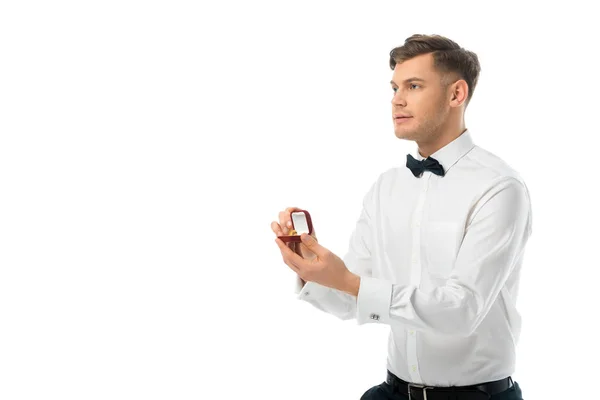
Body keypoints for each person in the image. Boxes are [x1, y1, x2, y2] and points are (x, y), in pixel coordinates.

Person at [271, 33, 531, 400]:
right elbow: (352, 297)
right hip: (392, 391)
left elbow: (462, 310)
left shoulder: (500, 187)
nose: (397, 100)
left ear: (456, 95)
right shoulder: (385, 187)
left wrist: (350, 282)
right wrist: (311, 268)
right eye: (394, 87)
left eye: (413, 85)